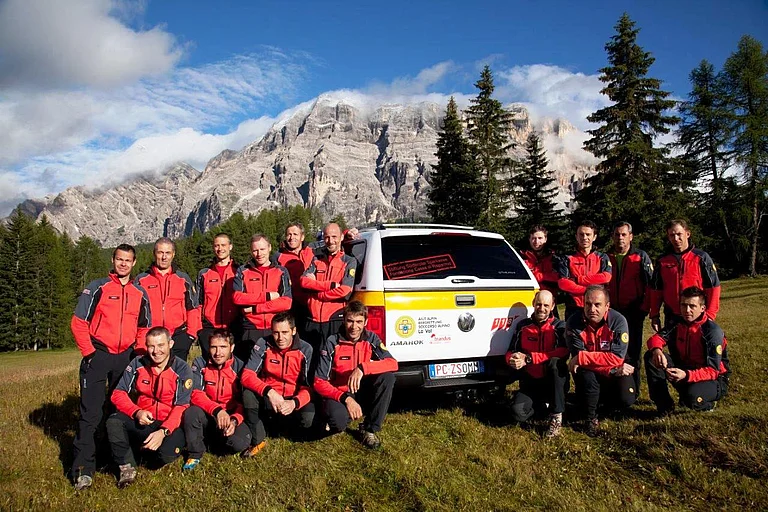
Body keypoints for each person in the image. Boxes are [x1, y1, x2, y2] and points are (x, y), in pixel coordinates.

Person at [69, 244, 151, 491]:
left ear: (134, 263)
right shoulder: (97, 287)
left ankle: (122, 464)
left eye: (128, 260)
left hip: (125, 357)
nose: (123, 264)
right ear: (113, 260)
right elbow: (78, 322)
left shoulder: (140, 293)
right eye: (119, 259)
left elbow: (144, 327)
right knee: (90, 414)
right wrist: (90, 353)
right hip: (99, 355)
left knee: (121, 412)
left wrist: (137, 354)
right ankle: (84, 470)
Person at [106, 327, 192, 488]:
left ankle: (143, 453)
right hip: (144, 419)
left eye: (161, 345)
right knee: (114, 421)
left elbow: (182, 405)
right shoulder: (137, 363)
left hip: (169, 425)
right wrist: (136, 412)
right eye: (151, 346)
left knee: (163, 457)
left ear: (170, 344)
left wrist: (163, 431)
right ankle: (127, 467)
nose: (156, 351)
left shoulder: (182, 368)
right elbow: (117, 393)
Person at [314, 301, 398, 449]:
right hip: (340, 393)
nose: (354, 327)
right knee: (337, 423)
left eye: (359, 322)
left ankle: (369, 429)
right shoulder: (332, 342)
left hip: (361, 390)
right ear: (344, 320)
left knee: (388, 377)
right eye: (350, 321)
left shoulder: (371, 338)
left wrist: (363, 367)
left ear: (365, 322)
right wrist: (346, 399)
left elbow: (393, 363)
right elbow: (319, 382)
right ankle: (331, 416)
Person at [645, 287, 730, 415]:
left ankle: (707, 402)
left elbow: (713, 370)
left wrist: (687, 375)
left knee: (692, 399)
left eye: (692, 306)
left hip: (712, 378)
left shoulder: (712, 332)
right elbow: (656, 338)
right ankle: (664, 406)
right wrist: (657, 350)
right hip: (684, 370)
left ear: (702, 308)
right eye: (683, 305)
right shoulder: (677, 322)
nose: (687, 310)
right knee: (651, 356)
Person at [240, 312, 315, 456]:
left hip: (292, 398)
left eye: (285, 332)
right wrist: (270, 392)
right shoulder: (263, 343)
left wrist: (294, 403)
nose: (280, 338)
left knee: (308, 420)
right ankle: (258, 437)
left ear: (294, 331)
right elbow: (247, 375)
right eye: (276, 333)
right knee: (248, 394)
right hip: (270, 396)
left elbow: (309, 386)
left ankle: (283, 429)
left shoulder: (306, 349)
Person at [566, 286, 635, 436]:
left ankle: (604, 406)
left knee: (627, 398)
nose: (592, 309)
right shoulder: (573, 323)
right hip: (593, 371)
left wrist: (584, 357)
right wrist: (611, 369)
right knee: (587, 376)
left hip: (610, 368)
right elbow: (579, 361)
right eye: (588, 304)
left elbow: (616, 357)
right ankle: (590, 418)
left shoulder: (618, 321)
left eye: (597, 305)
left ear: (607, 306)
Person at [181, 329, 251, 470]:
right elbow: (195, 393)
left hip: (231, 414)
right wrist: (217, 410)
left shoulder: (240, 367)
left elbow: (243, 402)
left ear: (232, 347)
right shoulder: (200, 363)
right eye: (214, 347)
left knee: (239, 443)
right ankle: (195, 452)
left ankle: (214, 441)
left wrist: (234, 420)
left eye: (223, 347)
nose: (218, 353)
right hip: (209, 412)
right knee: (191, 412)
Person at [505, 290, 569, 437]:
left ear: (553, 306)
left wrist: (530, 358)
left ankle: (556, 416)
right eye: (538, 304)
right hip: (531, 381)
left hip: (553, 380)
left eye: (546, 305)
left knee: (555, 363)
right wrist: (513, 359)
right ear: (533, 304)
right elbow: (510, 351)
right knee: (517, 413)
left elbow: (563, 352)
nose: (542, 308)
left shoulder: (559, 326)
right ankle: (544, 405)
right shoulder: (523, 326)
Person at [135, 237, 201, 362]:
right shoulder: (142, 280)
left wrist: (191, 335)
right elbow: (133, 312)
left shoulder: (183, 279)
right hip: (150, 337)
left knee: (175, 377)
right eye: (160, 253)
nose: (164, 257)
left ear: (173, 254)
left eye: (168, 253)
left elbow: (193, 308)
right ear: (154, 253)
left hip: (177, 336)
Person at [650, 219, 720, 332]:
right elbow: (656, 290)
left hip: (696, 314)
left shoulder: (701, 258)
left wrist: (710, 315)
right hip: (672, 315)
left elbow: (713, 287)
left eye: (679, 234)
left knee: (698, 348)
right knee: (674, 348)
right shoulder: (662, 261)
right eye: (672, 235)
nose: (676, 238)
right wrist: (654, 315)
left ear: (687, 234)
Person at [607, 221, 653, 395]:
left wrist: (644, 308)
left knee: (633, 351)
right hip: (612, 312)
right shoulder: (606, 257)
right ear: (612, 237)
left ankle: (634, 389)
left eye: (624, 234)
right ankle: (616, 388)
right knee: (613, 350)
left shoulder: (640, 257)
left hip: (633, 311)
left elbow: (650, 286)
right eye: (617, 234)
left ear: (631, 236)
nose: (620, 238)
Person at [232, 234, 292, 362]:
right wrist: (268, 296)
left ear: (269, 248)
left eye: (262, 249)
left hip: (274, 328)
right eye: (255, 250)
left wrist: (255, 308)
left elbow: (286, 303)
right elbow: (237, 298)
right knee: (247, 368)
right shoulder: (243, 271)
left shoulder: (281, 271)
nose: (259, 254)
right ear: (251, 251)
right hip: (250, 328)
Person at [300, 223, 357, 349]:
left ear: (342, 237)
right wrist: (330, 285)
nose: (330, 241)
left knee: (332, 360)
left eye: (334, 237)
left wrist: (317, 292)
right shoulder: (316, 259)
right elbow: (303, 281)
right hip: (313, 319)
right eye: (327, 237)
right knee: (312, 362)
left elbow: (345, 290)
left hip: (334, 319)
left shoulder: (349, 261)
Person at [196, 233, 240, 361]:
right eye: (216, 245)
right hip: (209, 327)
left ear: (230, 246)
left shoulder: (239, 271)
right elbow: (198, 302)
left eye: (223, 245)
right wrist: (199, 329)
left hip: (233, 325)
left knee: (233, 364)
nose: (220, 249)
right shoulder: (204, 274)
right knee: (209, 364)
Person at [556, 221, 612, 321]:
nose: (584, 238)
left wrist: (578, 280)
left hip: (596, 307)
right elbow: (563, 282)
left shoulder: (602, 257)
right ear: (576, 236)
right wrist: (586, 291)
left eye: (588, 234)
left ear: (594, 237)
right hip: (574, 306)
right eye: (581, 234)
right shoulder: (567, 258)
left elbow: (606, 277)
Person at [272, 222, 315, 336]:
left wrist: (347, 233)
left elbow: (333, 244)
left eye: (295, 234)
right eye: (289, 234)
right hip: (290, 305)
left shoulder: (312, 251)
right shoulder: (278, 256)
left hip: (311, 303)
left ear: (302, 237)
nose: (292, 238)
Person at [521, 226, 561, 317]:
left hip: (548, 300)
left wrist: (538, 276)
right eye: (533, 238)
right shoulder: (523, 257)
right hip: (528, 299)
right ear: (529, 239)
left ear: (545, 239)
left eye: (540, 238)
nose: (536, 242)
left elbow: (558, 277)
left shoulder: (554, 257)